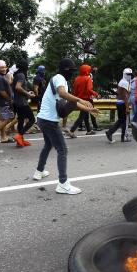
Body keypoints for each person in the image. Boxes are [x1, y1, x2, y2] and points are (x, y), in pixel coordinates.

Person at [34, 58, 99, 195]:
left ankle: (39, 171)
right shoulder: (60, 79)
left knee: (48, 145)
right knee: (62, 149)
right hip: (49, 121)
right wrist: (81, 99)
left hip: (42, 118)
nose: (72, 74)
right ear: (66, 70)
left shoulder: (57, 79)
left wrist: (89, 109)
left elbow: (70, 102)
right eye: (71, 71)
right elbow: (63, 93)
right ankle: (63, 184)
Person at [67, 64, 98, 138]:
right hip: (86, 99)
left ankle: (89, 130)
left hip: (79, 99)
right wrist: (95, 93)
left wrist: (75, 98)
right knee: (82, 116)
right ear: (87, 71)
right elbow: (89, 89)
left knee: (85, 115)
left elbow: (74, 90)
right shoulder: (88, 78)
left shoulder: (77, 78)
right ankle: (71, 131)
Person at [12, 59, 36, 147]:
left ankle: (20, 141)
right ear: (25, 67)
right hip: (22, 103)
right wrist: (28, 95)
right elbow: (18, 87)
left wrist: (27, 92)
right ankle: (19, 135)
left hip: (16, 102)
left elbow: (17, 88)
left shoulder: (17, 74)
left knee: (21, 120)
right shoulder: (21, 75)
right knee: (32, 119)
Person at [105, 68, 132, 143]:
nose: (129, 76)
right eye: (128, 74)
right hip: (123, 103)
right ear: (124, 74)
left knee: (121, 121)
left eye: (130, 74)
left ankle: (112, 133)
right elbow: (125, 96)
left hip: (119, 102)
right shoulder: (125, 83)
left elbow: (119, 93)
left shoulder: (122, 81)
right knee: (125, 121)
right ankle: (121, 136)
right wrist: (127, 107)